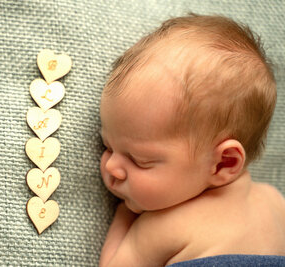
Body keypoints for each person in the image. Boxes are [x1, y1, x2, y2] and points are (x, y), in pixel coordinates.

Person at [99, 14, 285, 267]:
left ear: (223, 164)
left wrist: (123, 213)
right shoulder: (276, 203)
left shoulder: (160, 226)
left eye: (139, 160)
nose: (111, 166)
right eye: (108, 146)